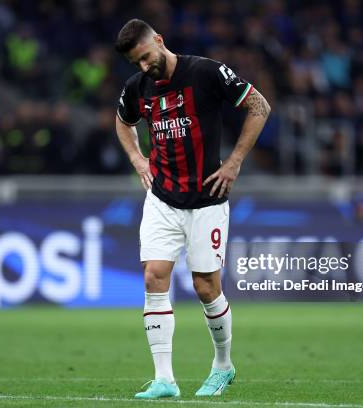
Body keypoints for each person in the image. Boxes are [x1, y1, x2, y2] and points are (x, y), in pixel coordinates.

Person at [114, 19, 270, 399]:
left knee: (205, 287)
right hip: (163, 197)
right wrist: (137, 158)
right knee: (153, 278)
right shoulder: (138, 87)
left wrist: (234, 162)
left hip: (207, 199)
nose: (144, 67)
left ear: (160, 41)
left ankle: (223, 364)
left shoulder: (206, 72)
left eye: (146, 57)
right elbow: (122, 122)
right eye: (136, 62)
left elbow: (259, 106)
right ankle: (165, 379)